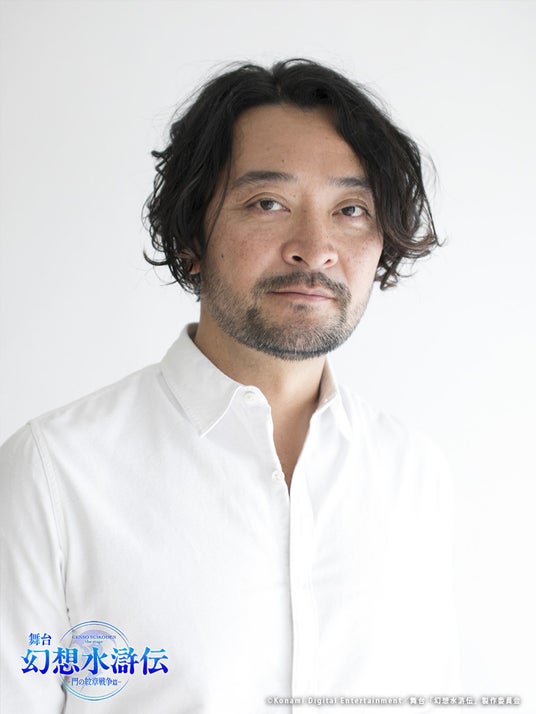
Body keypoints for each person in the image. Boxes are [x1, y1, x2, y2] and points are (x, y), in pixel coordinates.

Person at [0, 59, 460, 713]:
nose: (315, 247)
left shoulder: (414, 474)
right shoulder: (56, 474)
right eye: (267, 203)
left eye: (351, 209)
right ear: (192, 234)